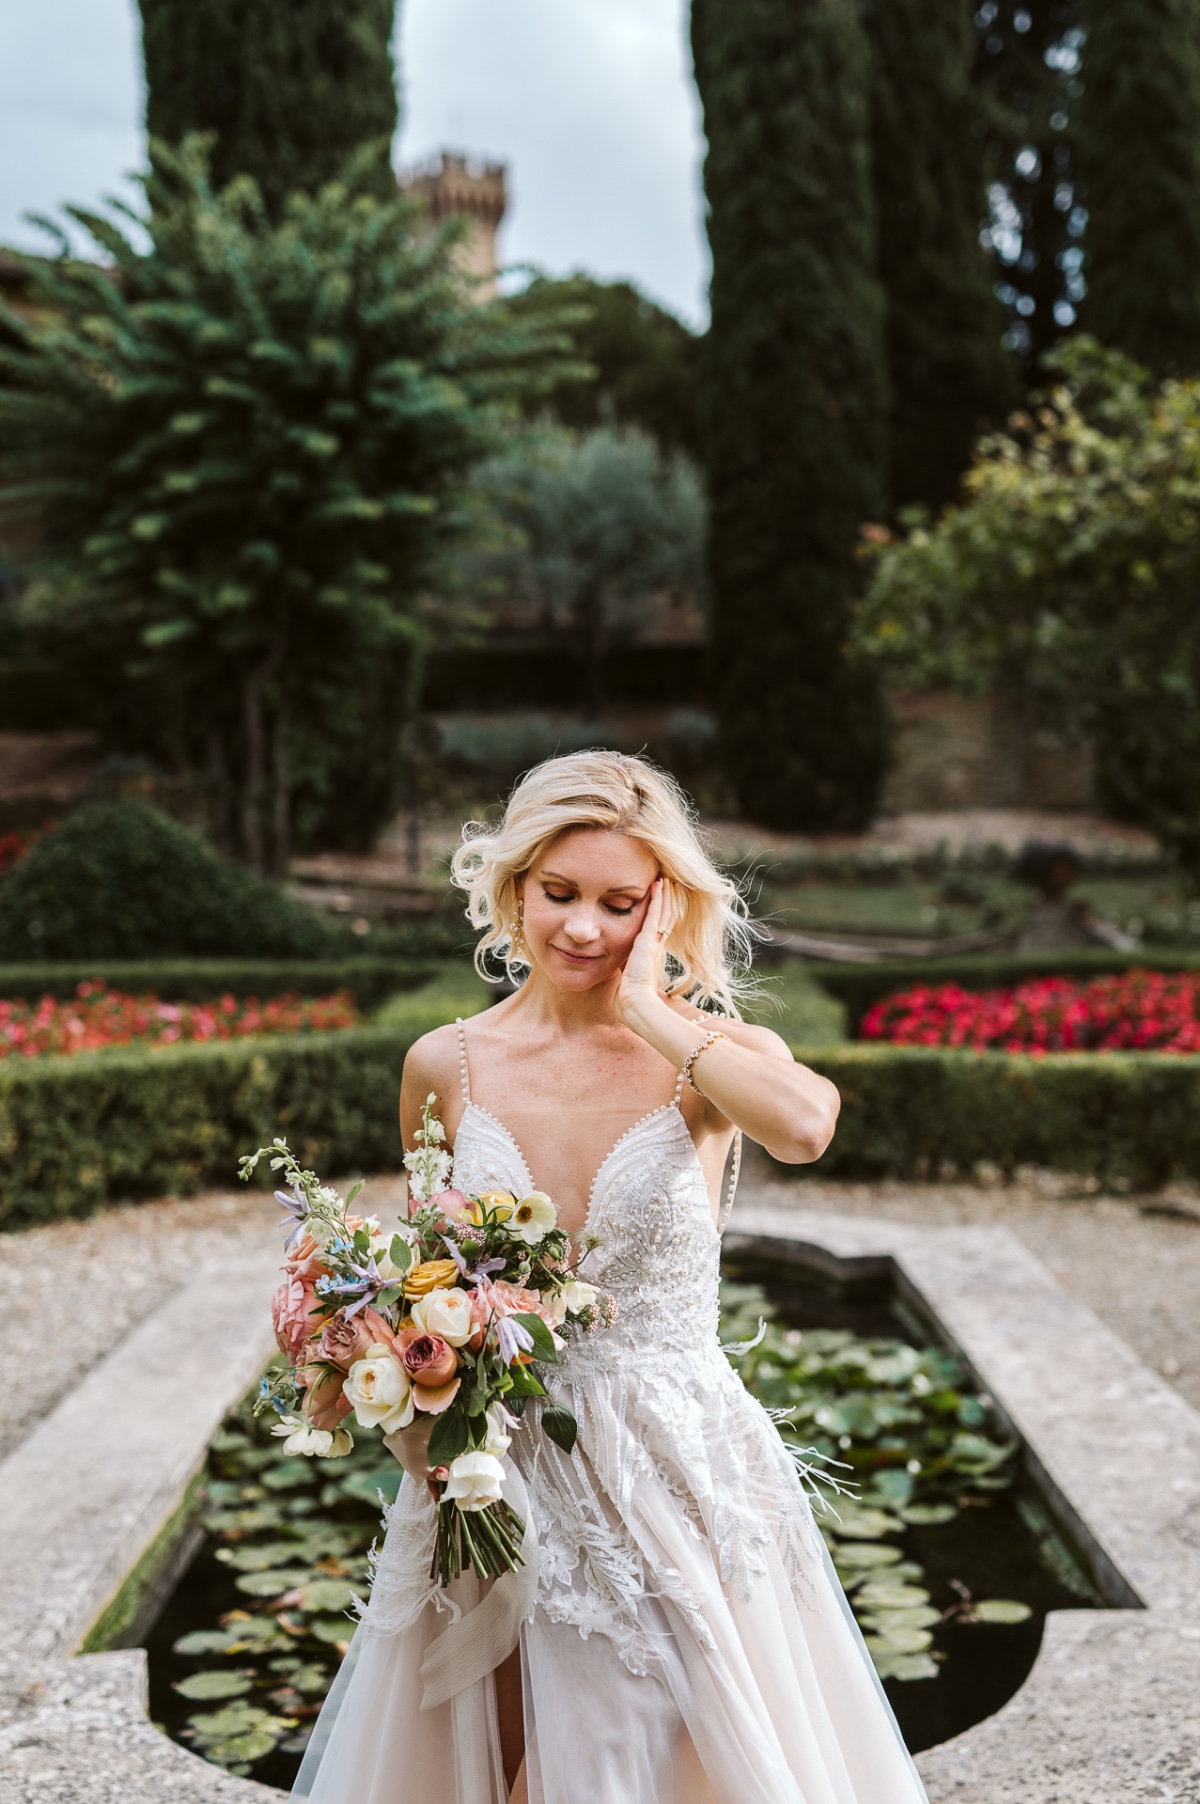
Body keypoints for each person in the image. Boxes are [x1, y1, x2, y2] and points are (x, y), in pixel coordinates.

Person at [294, 750, 928, 1804]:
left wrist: (650, 1010)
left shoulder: (715, 1054)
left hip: (674, 1468)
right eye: (560, 894)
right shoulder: (442, 1064)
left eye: (620, 902)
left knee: (654, 1764)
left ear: (667, 903)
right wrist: (398, 1394)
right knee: (493, 1775)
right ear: (512, 889)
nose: (585, 929)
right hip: (497, 1465)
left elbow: (808, 1127)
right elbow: (423, 1271)